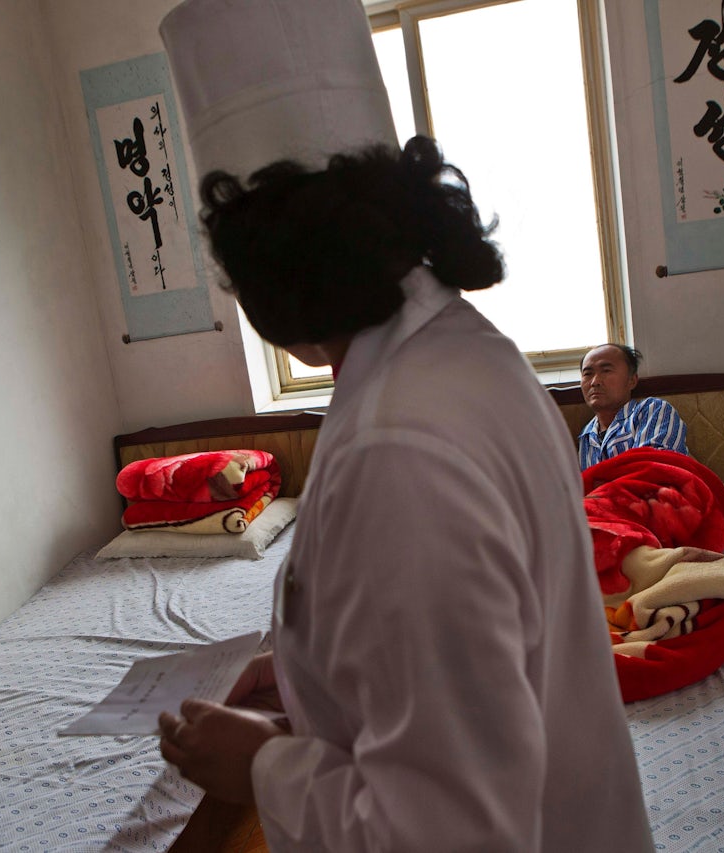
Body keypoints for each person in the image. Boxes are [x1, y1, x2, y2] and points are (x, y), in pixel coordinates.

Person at [157, 2, 653, 850]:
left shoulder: (400, 452)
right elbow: (457, 641)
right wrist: (308, 676)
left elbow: (444, 830)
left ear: (271, 269)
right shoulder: (473, 352)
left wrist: (264, 763)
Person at [578, 343, 688, 469]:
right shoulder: (585, 437)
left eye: (606, 371)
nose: (595, 382)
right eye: (587, 374)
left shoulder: (652, 410)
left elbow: (656, 471)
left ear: (632, 380)